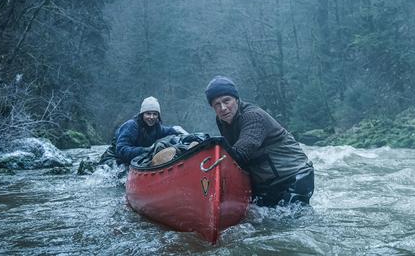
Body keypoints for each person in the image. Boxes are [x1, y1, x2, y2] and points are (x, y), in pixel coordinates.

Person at [205, 76, 314, 207]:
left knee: (292, 221)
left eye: (226, 101)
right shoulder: (222, 121)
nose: (223, 108)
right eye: (217, 104)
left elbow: (239, 154)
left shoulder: (253, 116)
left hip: (294, 176)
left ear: (237, 99)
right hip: (268, 182)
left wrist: (209, 148)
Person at [99, 96, 187, 166]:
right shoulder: (131, 126)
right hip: (113, 160)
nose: (151, 117)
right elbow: (122, 150)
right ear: (142, 114)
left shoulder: (157, 127)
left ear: (158, 116)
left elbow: (169, 130)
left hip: (134, 159)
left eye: (155, 114)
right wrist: (147, 150)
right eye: (148, 113)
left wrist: (178, 130)